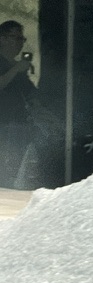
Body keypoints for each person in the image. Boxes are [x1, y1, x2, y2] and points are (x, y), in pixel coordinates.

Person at [0, 20, 37, 188]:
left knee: (12, 171)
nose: (20, 43)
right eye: (15, 38)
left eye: (22, 39)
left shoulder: (17, 66)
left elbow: (31, 93)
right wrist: (15, 69)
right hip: (4, 124)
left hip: (19, 123)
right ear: (2, 38)